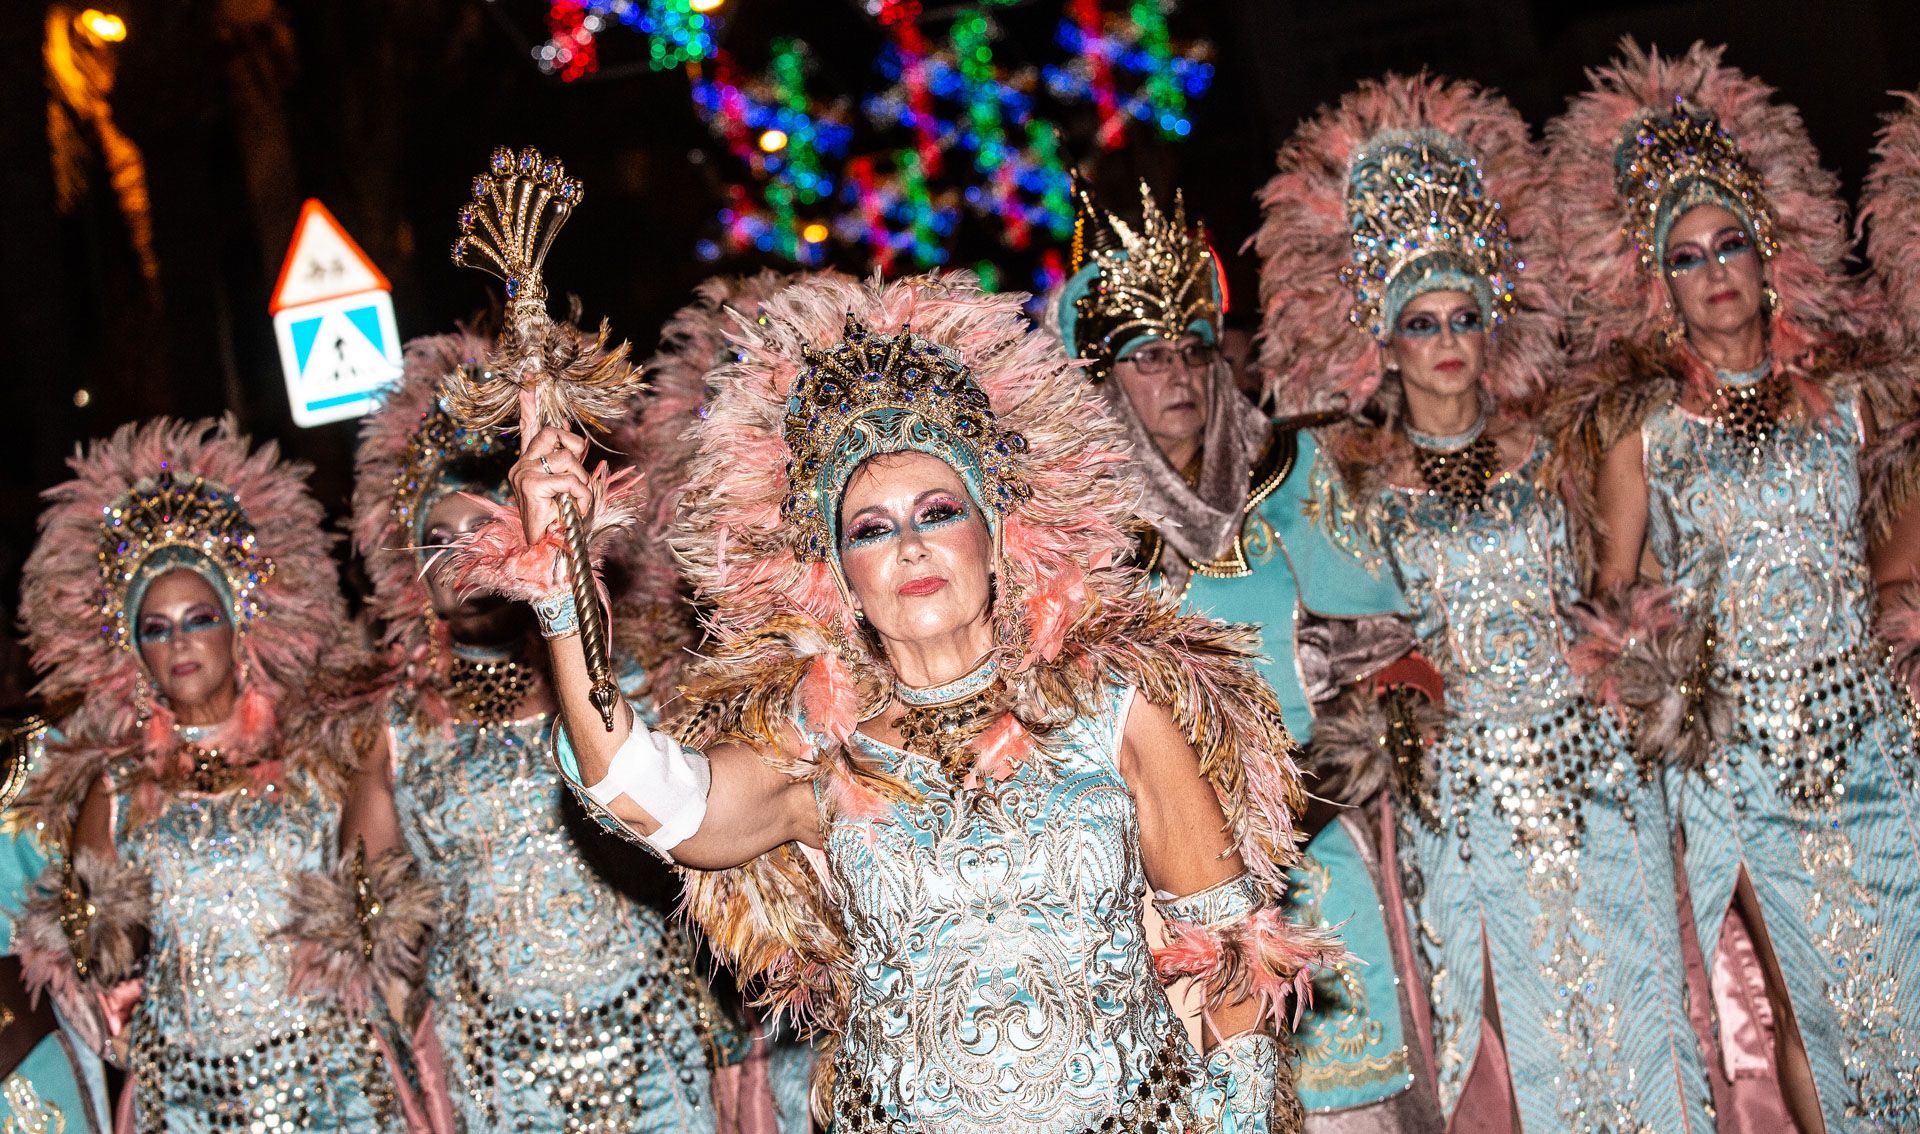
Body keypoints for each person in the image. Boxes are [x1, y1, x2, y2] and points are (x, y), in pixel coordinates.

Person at [476, 271, 1341, 1130]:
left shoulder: (1114, 712)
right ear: (842, 579)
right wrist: (563, 593)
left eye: (938, 511)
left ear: (997, 536)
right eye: (872, 529)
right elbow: (638, 788)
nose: (913, 546)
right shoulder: (823, 752)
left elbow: (1235, 966)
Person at [1258, 73, 1716, 1131]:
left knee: (1643, 1007)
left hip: (1592, 776)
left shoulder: (1560, 443)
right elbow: (1341, 639)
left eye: (1466, 313)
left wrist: (1636, 670)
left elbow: (1618, 590)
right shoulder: (1347, 479)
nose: (1448, 339)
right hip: (1457, 797)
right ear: (1385, 336)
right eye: (1422, 321)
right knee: (1507, 1034)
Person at [1545, 40, 1920, 1129]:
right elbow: (1612, 608)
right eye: (1687, 257)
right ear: (1658, 287)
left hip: (1874, 739)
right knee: (1805, 1000)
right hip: (1741, 759)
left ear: (1768, 257)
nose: (1715, 272)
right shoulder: (1644, 433)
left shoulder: (1853, 403)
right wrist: (1656, 676)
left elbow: (1897, 564)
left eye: (1731, 246)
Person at [1054, 176, 1442, 1131]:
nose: (1177, 378)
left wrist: (1303, 800)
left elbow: (1394, 661)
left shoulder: (1288, 471)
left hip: (1313, 847)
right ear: (1104, 377)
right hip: (1158, 877)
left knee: (1352, 1111)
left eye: (1191, 351)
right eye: (1147, 359)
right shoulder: (1073, 525)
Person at [331, 329, 756, 1132]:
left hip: (655, 1042)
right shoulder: (391, 730)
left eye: (485, 528)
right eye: (441, 539)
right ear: (408, 571)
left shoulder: (625, 683)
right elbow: (372, 930)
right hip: (495, 1063)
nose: (466, 557)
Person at [13, 416, 417, 1130]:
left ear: (239, 624)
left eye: (198, 618)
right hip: (189, 1097)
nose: (180, 643)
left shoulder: (319, 752)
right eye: (155, 627)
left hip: (332, 1086)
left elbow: (382, 913)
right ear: (133, 649)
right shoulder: (116, 782)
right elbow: (96, 957)